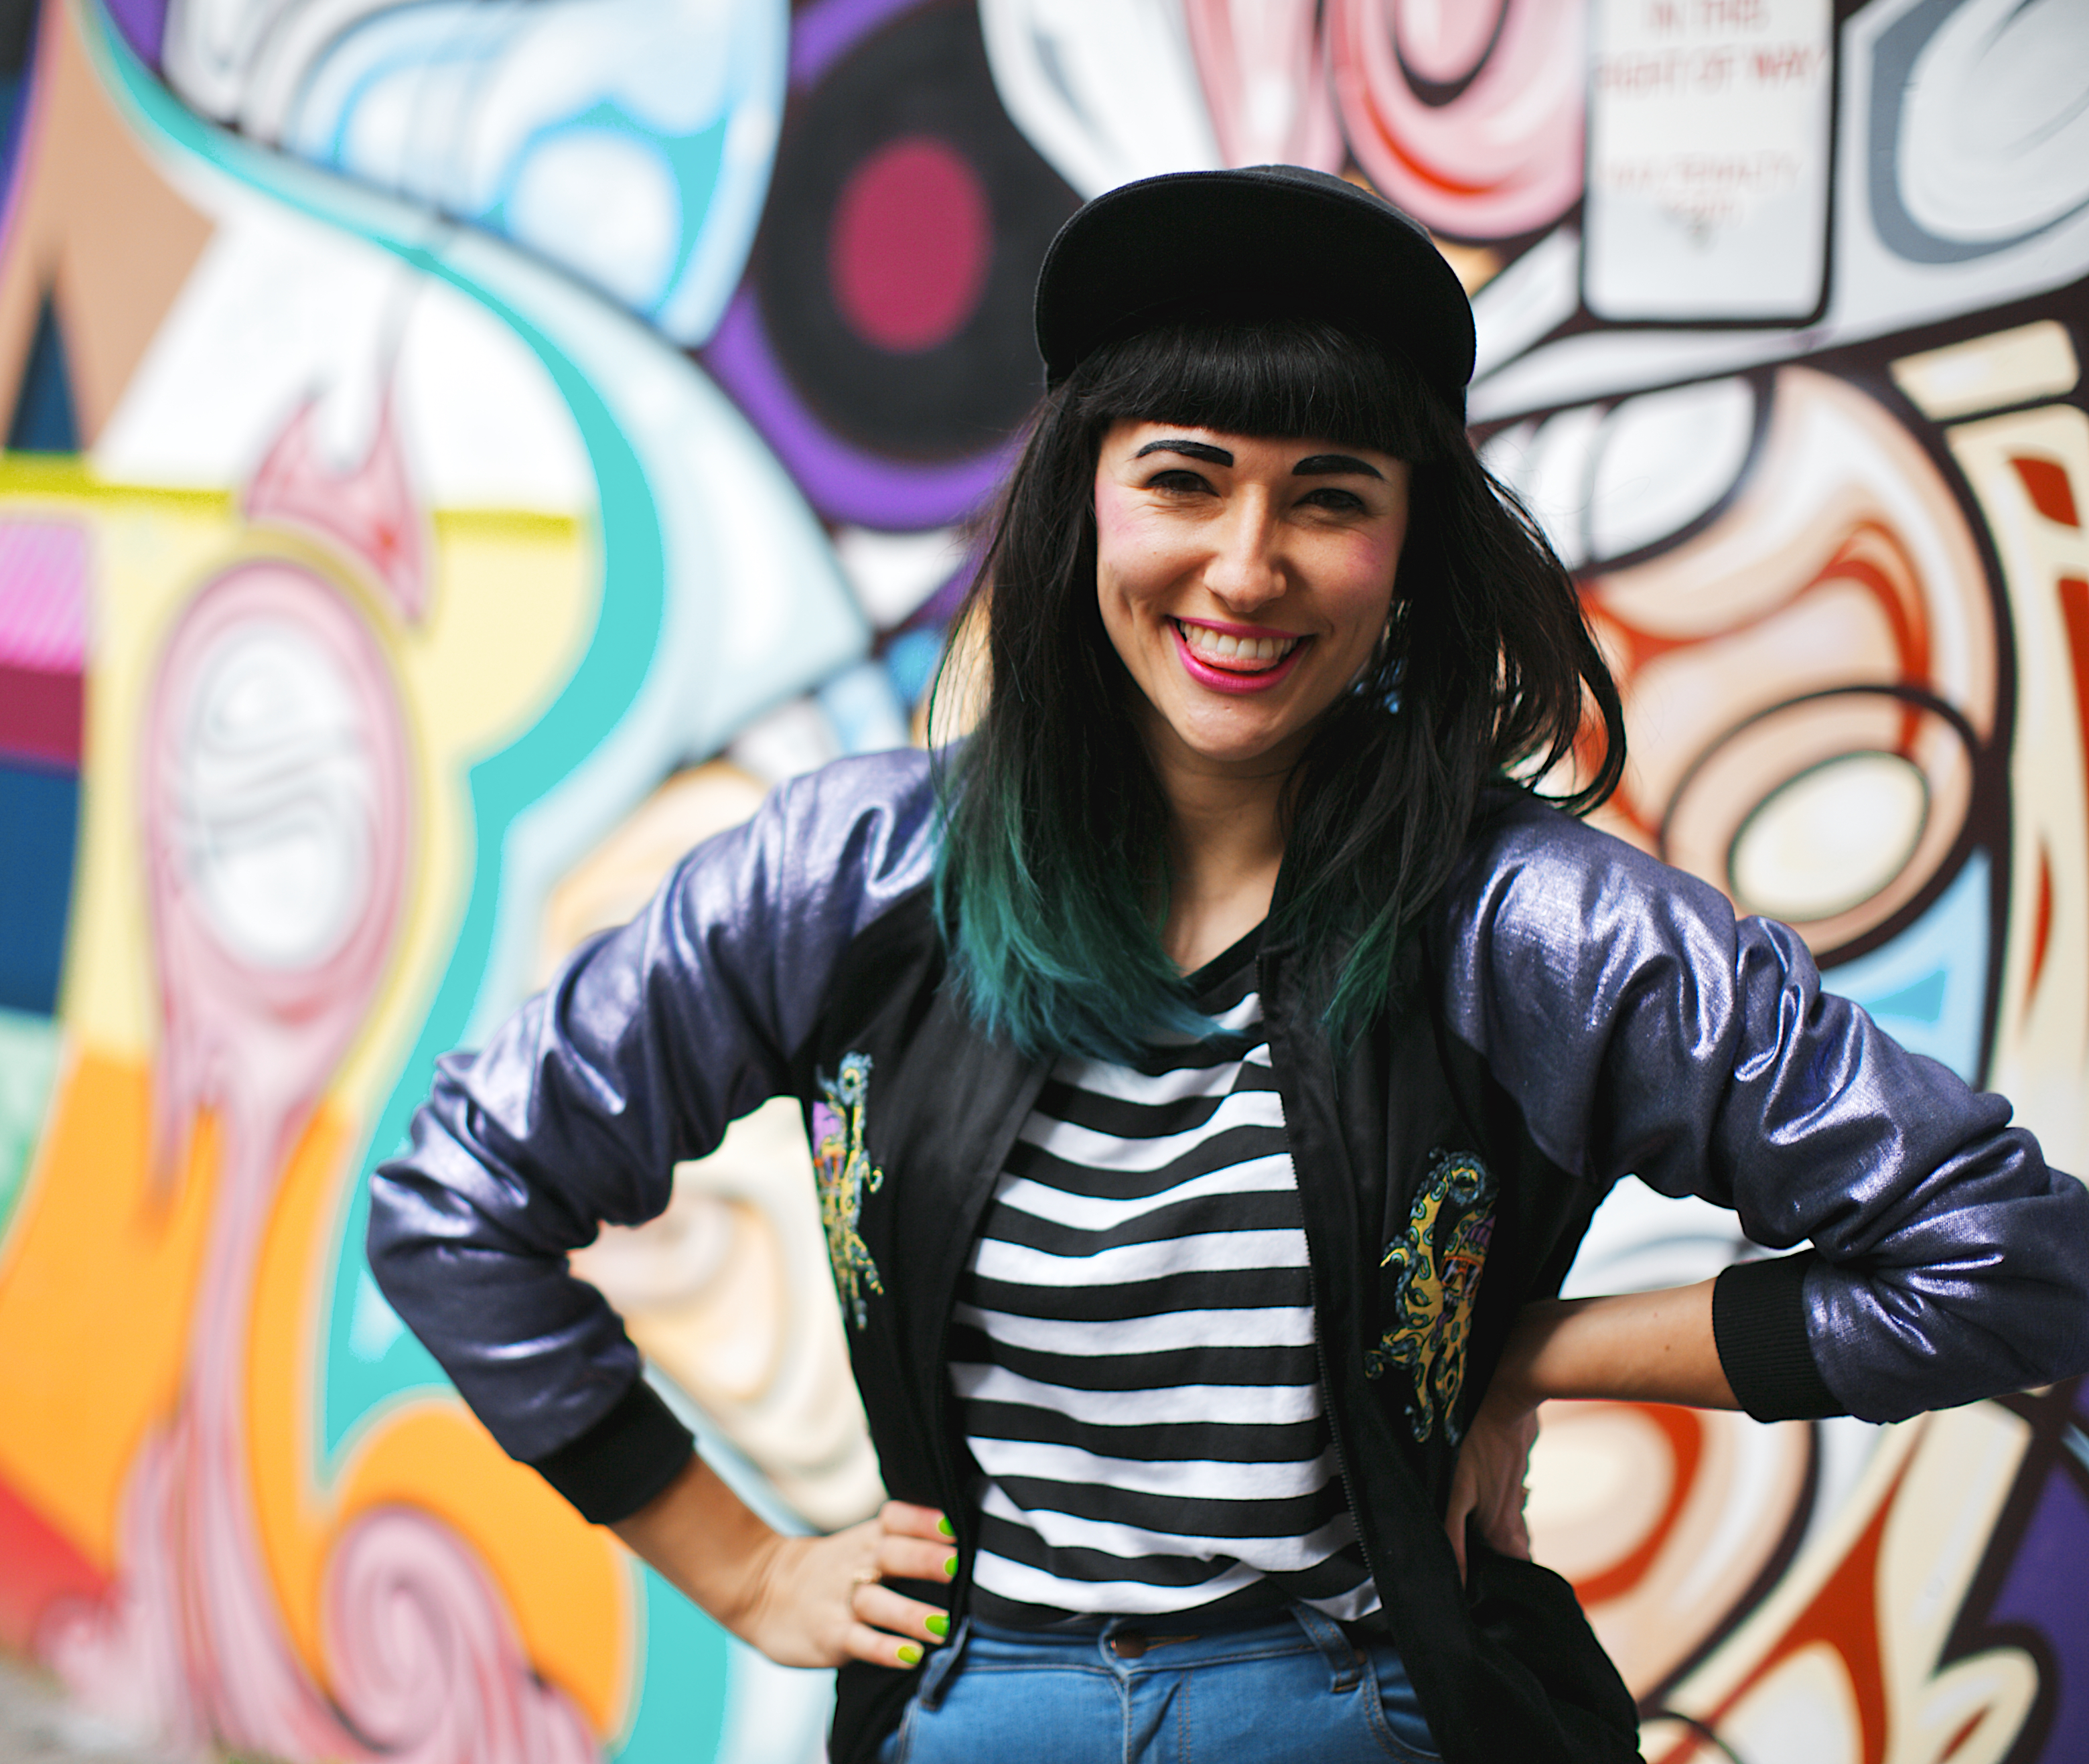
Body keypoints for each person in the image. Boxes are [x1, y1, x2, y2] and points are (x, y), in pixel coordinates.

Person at [366, 166, 2089, 1764]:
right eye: (1184, 478)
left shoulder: (1536, 927)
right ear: (1083, 505)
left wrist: (1534, 1345)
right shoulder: (858, 875)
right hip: (979, 1714)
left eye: (1328, 500)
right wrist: (739, 1567)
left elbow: (2006, 1257)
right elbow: (459, 1198)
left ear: (1407, 550)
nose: (1247, 570)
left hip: (1357, 1711)